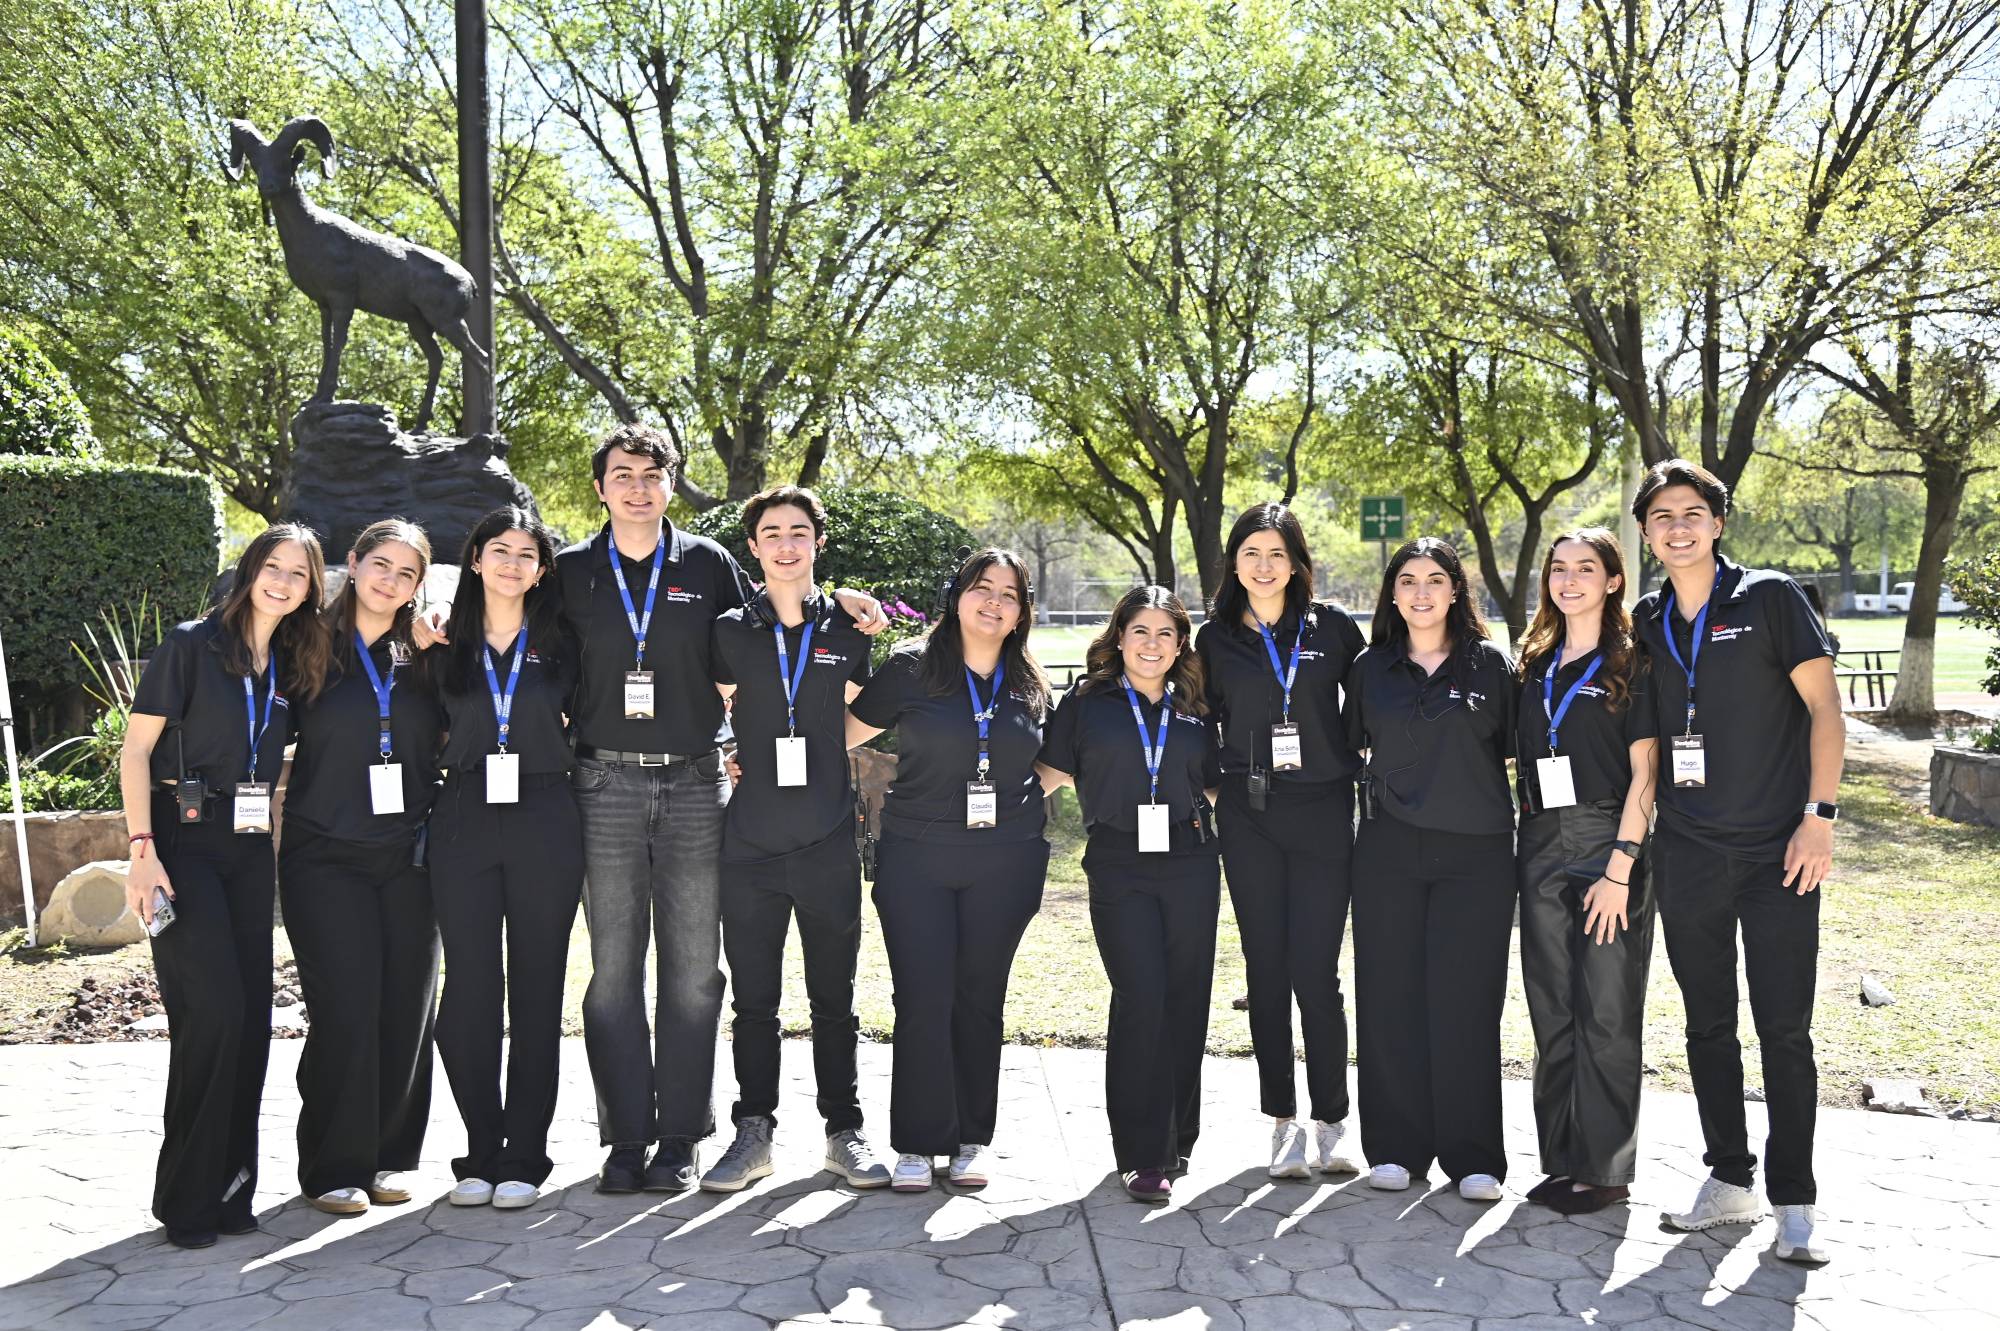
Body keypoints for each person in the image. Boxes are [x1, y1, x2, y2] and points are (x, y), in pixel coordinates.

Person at [541, 425, 884, 1194]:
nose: (637, 487)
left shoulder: (706, 564)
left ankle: (680, 1137)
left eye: (652, 474)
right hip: (605, 786)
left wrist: (850, 602)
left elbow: (775, 623)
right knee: (612, 973)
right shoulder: (567, 573)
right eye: (622, 475)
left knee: (696, 974)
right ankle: (626, 1136)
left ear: (670, 484)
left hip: (699, 785)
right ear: (599, 487)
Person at [1632, 459, 1842, 1264]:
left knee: (1784, 1028)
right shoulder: (1648, 619)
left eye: (1692, 512)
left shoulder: (1771, 598)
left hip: (1779, 852)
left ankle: (1794, 1198)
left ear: (1718, 523)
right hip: (1688, 851)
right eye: (1662, 516)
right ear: (1649, 533)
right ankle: (1729, 1180)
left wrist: (1818, 818)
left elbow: (1826, 709)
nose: (1677, 526)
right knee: (1707, 1023)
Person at [120, 524, 330, 1248]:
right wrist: (142, 851)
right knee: (211, 1012)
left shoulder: (292, 665)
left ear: (310, 589)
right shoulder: (188, 645)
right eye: (272, 567)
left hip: (247, 853)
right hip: (181, 844)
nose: (282, 582)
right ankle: (186, 1196)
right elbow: (137, 749)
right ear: (247, 571)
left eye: (297, 574)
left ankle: (232, 1188)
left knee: (248, 1022)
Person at [845, 548, 1052, 1194]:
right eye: (981, 587)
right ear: (956, 595)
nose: (994, 602)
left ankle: (969, 1139)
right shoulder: (912, 667)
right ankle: (916, 1141)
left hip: (1006, 861)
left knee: (979, 998)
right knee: (923, 997)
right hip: (917, 857)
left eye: (1009, 594)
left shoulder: (1029, 683)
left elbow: (1060, 759)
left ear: (1023, 611)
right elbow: (844, 731)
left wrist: (1018, 807)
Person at [702, 485, 888, 1192]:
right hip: (747, 844)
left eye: (799, 532)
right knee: (754, 1000)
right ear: (754, 547)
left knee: (833, 997)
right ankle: (754, 1133)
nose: (786, 544)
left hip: (827, 838)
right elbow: (712, 706)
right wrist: (727, 746)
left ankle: (845, 1131)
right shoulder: (727, 628)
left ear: (816, 543)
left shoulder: (845, 630)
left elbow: (858, 715)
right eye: (772, 533)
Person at [1194, 503, 1367, 1179]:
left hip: (1325, 809)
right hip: (1250, 814)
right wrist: (1222, 794)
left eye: (1276, 553)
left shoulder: (1335, 629)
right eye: (1250, 553)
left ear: (1296, 562)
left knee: (1317, 974)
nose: (1264, 566)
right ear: (1234, 563)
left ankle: (1333, 1121)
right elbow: (1197, 722)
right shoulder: (1213, 639)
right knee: (1266, 970)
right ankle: (1282, 1122)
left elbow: (1372, 706)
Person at [1343, 537, 1518, 1201]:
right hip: (1387, 852)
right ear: (1392, 593)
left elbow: (1513, 753)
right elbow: (1351, 746)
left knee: (1466, 1003)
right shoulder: (1368, 668)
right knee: (1390, 999)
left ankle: (1473, 1155)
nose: (1421, 592)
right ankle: (1395, 1147)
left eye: (1435, 580)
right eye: (1408, 580)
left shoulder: (1492, 667)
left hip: (1476, 856)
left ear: (1455, 591)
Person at [420, 507, 582, 1211]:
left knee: (539, 988)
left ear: (542, 569)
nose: (513, 562)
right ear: (476, 559)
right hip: (464, 814)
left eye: (527, 553)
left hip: (547, 812)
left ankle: (525, 1153)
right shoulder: (439, 640)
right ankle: (480, 1150)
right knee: (470, 993)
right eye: (499, 550)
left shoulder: (563, 642)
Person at [1037, 586, 1221, 1205]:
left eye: (1165, 634)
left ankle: (1178, 1136)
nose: (1152, 644)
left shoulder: (1196, 705)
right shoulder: (1088, 704)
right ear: (1119, 638)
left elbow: (1216, 787)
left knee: (1188, 995)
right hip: (1119, 863)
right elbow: (1048, 776)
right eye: (1140, 631)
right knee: (1142, 996)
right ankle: (1142, 1154)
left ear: (1180, 645)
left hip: (1192, 859)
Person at [279, 519, 442, 1216]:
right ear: (353, 562)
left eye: (407, 574)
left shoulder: (429, 647)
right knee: (346, 1009)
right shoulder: (304, 637)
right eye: (380, 565)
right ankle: (331, 1165)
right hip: (324, 852)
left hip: (411, 854)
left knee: (407, 1006)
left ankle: (390, 1157)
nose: (390, 582)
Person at [1513, 529, 1659, 1215]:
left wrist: (1621, 866)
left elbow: (1646, 772)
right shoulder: (1534, 660)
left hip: (1607, 841)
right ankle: (1563, 1158)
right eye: (1559, 567)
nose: (1569, 579)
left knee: (1605, 1009)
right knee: (1553, 1006)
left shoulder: (1632, 659)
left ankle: (1605, 1168)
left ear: (1612, 580)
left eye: (1586, 568)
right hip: (1540, 838)